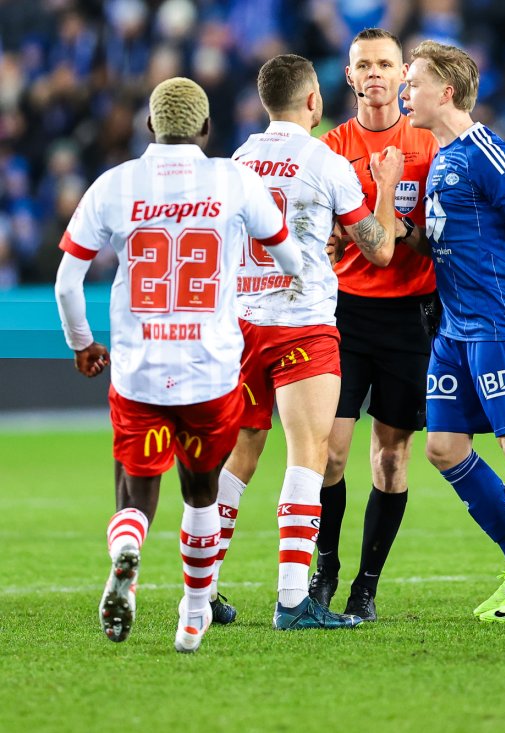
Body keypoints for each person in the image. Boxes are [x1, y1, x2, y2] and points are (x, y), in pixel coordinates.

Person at [53, 77, 302, 652]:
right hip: (211, 371)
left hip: (139, 369)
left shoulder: (115, 184)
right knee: (202, 492)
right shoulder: (232, 178)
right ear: (207, 130)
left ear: (149, 128)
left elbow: (68, 282)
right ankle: (193, 613)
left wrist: (83, 343)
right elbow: (287, 255)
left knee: (135, 490)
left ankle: (127, 547)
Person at [204, 54, 405, 630]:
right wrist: (386, 188)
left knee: (239, 455)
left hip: (242, 324)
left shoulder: (238, 160)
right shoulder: (327, 161)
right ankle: (293, 600)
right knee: (309, 454)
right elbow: (381, 250)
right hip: (302, 324)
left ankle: (205, 589)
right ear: (314, 101)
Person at [404, 40, 505, 622]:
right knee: (443, 448)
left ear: (444, 92)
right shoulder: (440, 156)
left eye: (414, 82)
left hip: (501, 323)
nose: (405, 91)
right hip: (455, 329)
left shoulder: (486, 153)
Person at [308, 28, 440, 622]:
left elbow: (440, 236)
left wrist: (402, 229)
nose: (377, 74)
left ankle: (366, 584)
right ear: (349, 75)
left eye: (387, 64)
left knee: (391, 458)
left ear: (402, 75)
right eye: (365, 65)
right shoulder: (329, 146)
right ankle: (325, 568)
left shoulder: (430, 143)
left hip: (409, 314)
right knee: (330, 453)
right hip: (345, 311)